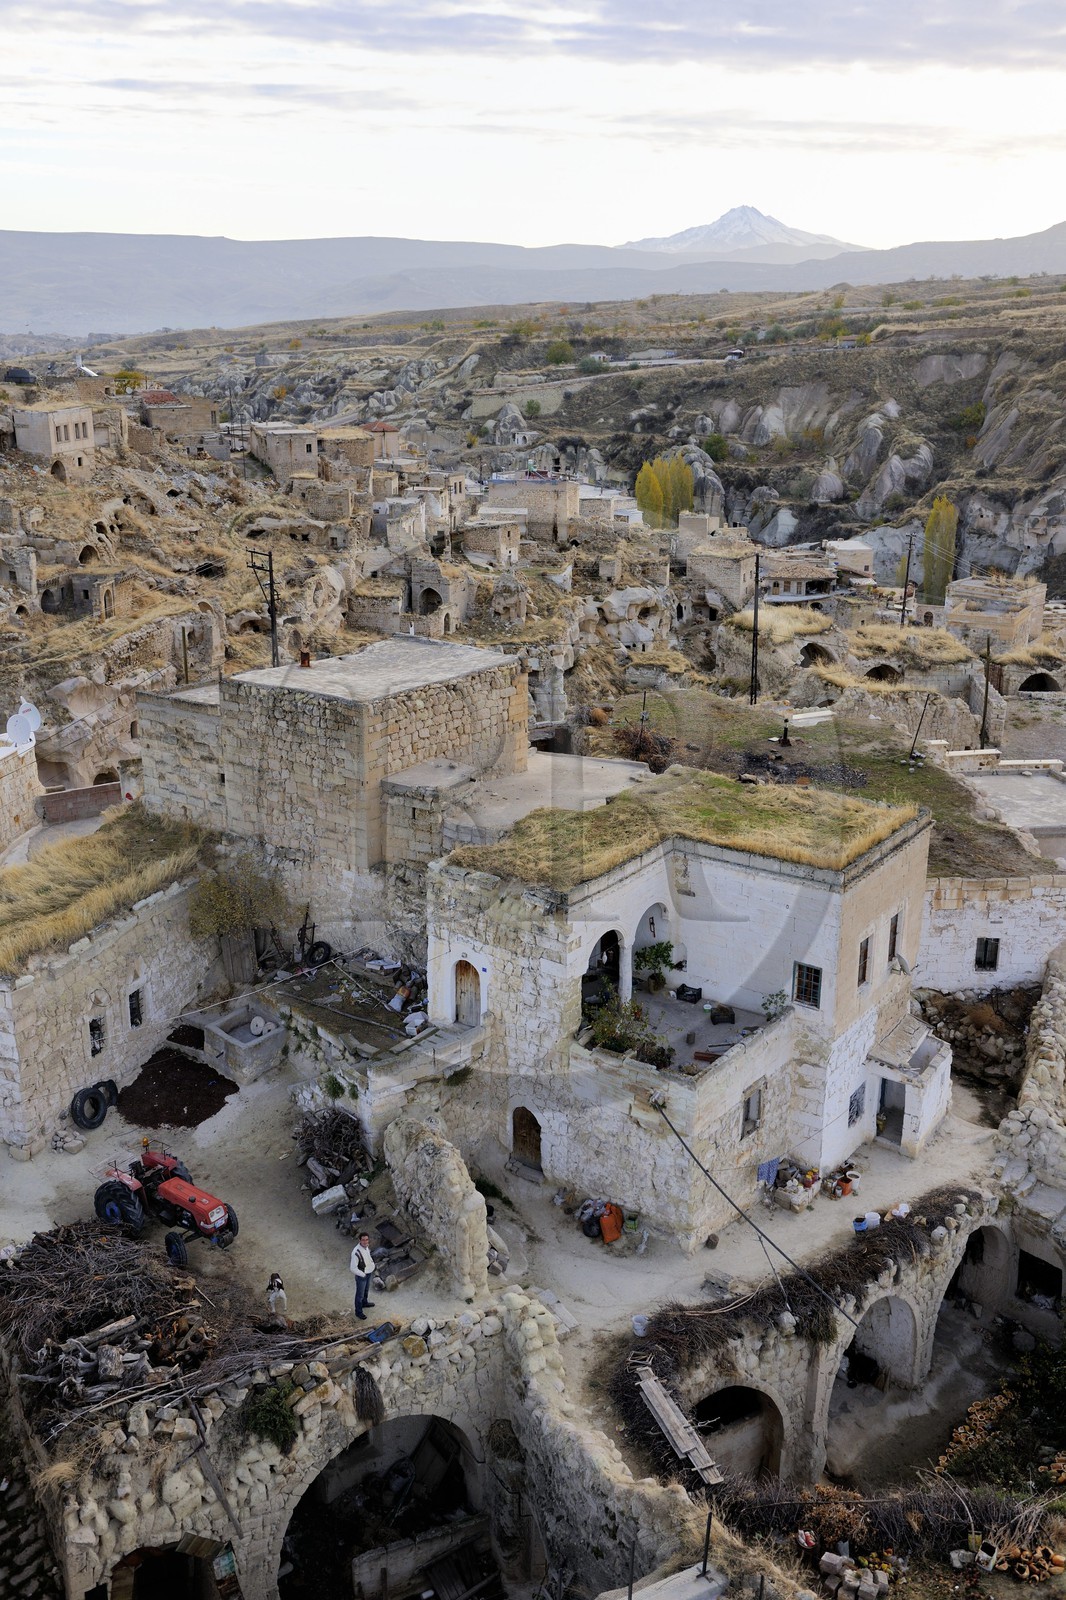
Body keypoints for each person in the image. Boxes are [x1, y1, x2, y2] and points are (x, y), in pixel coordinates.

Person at [350, 1233, 376, 1319]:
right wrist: (363, 1274)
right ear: (359, 1240)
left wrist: (372, 1264)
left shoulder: (366, 1247)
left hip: (368, 1272)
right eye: (363, 1240)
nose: (365, 1242)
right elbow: (353, 1268)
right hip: (362, 1275)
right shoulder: (356, 1252)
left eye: (366, 1240)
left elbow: (368, 1256)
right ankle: (358, 1312)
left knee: (366, 1290)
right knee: (359, 1295)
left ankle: (364, 1303)